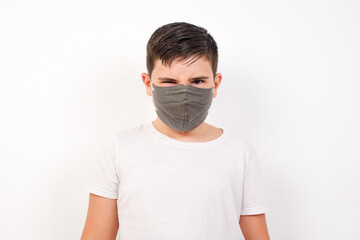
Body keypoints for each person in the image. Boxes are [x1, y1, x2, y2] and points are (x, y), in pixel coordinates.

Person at [81, 22, 270, 240]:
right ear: (147, 82)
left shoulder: (239, 153)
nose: (184, 94)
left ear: (215, 84)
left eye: (197, 81)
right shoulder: (119, 148)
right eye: (170, 82)